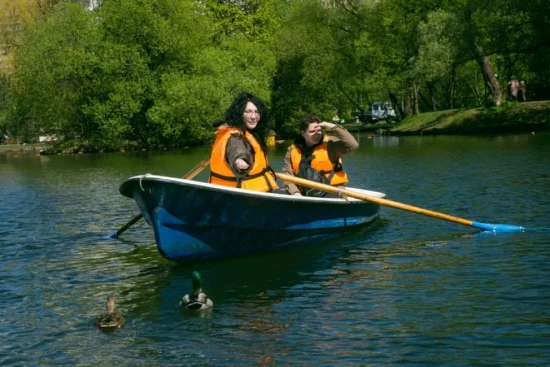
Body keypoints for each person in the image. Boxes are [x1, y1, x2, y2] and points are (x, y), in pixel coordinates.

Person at [209, 92, 278, 192]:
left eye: (256, 112)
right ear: (239, 113)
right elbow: (237, 150)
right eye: (248, 112)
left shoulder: (250, 134)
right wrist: (239, 161)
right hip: (242, 198)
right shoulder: (235, 137)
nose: (254, 116)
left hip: (255, 196)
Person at [282, 114, 359, 197]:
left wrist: (334, 127)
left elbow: (353, 145)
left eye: (319, 130)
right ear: (303, 133)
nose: (317, 134)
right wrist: (295, 193)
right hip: (304, 194)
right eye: (312, 131)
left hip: (333, 191)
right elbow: (288, 176)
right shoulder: (292, 150)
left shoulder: (330, 145)